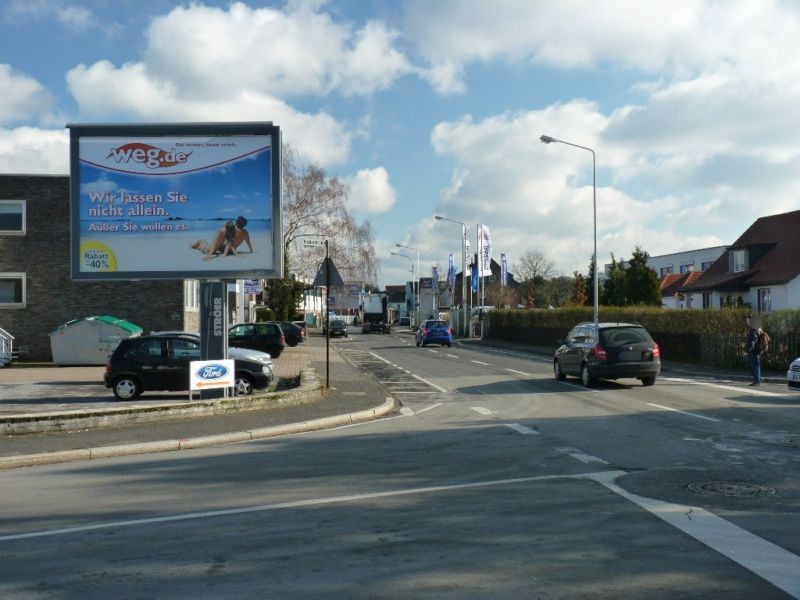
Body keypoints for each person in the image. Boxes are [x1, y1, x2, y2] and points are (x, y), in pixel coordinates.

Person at [745, 315, 762, 386]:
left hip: (753, 351)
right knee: (753, 365)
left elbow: (753, 341)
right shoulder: (757, 328)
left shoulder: (753, 330)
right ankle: (758, 379)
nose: (747, 322)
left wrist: (748, 350)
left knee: (753, 365)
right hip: (755, 350)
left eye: (748, 320)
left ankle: (757, 381)